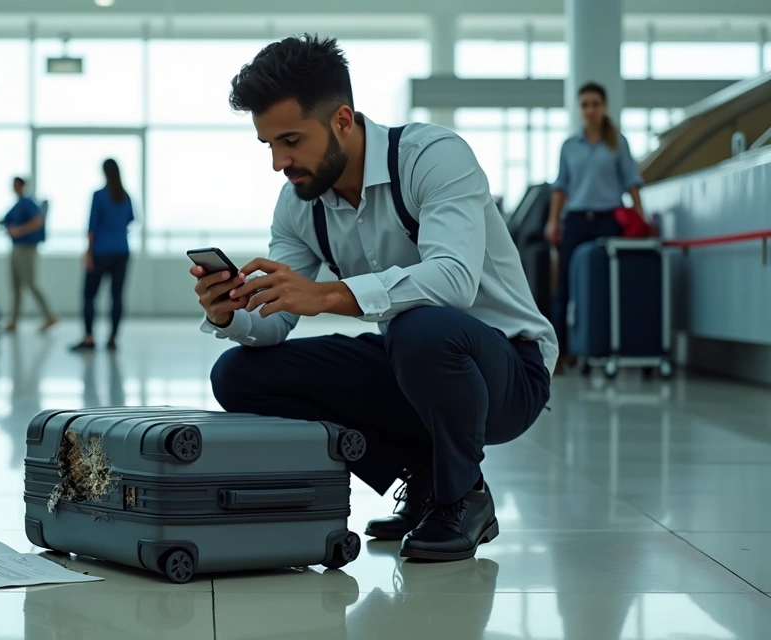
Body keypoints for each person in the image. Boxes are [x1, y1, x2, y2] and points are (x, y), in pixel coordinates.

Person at [191, 35, 556, 562]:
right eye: (269, 145)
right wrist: (232, 313)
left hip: (508, 372)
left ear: (342, 120)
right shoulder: (300, 204)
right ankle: (424, 478)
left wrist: (326, 295)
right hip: (416, 366)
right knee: (238, 374)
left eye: (290, 140)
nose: (279, 162)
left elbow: (454, 280)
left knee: (421, 328)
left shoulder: (432, 157)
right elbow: (278, 319)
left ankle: (463, 496)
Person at [545, 82, 646, 371]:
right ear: (580, 109)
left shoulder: (618, 143)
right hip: (576, 219)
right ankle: (561, 354)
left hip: (608, 220)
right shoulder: (569, 146)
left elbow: (631, 182)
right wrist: (554, 221)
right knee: (565, 287)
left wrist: (641, 219)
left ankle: (607, 347)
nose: (590, 110)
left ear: (604, 107)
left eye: (595, 104)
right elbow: (561, 186)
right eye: (585, 104)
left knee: (608, 285)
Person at [72, 159, 135, 351]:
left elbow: (92, 228)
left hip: (100, 252)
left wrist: (88, 253)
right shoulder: (125, 196)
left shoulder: (99, 196)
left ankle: (89, 337)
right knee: (116, 296)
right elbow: (130, 221)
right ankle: (113, 338)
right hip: (121, 251)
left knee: (89, 295)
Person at [0, 177, 58, 333]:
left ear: (21, 186)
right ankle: (13, 321)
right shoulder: (17, 205)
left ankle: (49, 316)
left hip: (27, 248)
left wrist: (19, 231)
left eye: (15, 185)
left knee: (30, 283)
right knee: (15, 285)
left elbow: (37, 222)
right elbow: (5, 222)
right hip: (16, 248)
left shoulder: (27, 202)